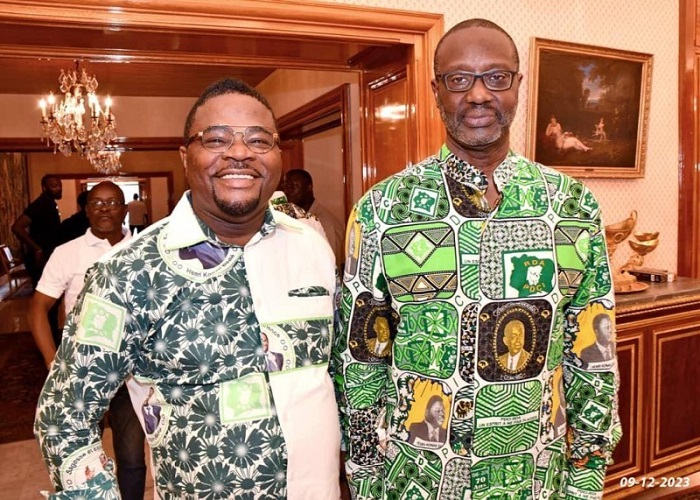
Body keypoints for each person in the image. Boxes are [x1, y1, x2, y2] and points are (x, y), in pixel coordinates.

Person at [333, 18, 621, 499]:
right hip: (419, 478)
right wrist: (366, 479)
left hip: (538, 474)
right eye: (459, 79)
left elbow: (594, 351)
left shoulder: (572, 206)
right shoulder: (382, 210)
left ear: (517, 85)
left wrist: (587, 474)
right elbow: (360, 362)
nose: (479, 94)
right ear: (437, 91)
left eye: (496, 76)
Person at [35, 78, 340, 499]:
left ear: (278, 154)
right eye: (216, 139)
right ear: (185, 156)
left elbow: (333, 373)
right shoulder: (127, 272)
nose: (240, 152)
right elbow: (64, 416)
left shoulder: (312, 244)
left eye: (259, 139)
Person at [29, 181, 147, 500]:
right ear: (85, 209)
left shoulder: (143, 253)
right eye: (96, 203)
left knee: (132, 458)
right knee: (79, 459)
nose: (104, 209)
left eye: (112, 202)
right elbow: (38, 308)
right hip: (80, 375)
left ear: (125, 209)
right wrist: (53, 362)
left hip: (130, 374)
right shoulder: (67, 253)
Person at [283, 168, 345, 268]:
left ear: (309, 187)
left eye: (295, 185)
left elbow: (330, 266)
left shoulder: (326, 224)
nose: (288, 190)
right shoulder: (288, 217)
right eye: (286, 185)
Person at [11, 174, 63, 286]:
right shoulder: (39, 205)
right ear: (44, 188)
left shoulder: (50, 204)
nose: (59, 188)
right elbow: (17, 227)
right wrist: (37, 249)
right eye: (54, 186)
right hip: (41, 257)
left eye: (60, 185)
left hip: (49, 254)